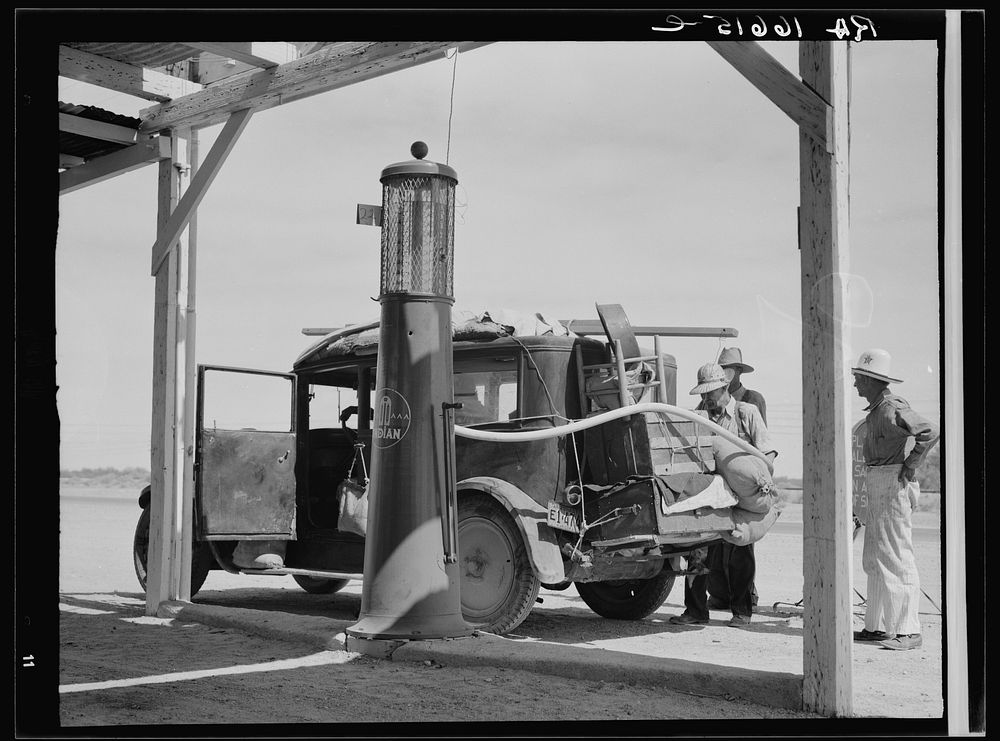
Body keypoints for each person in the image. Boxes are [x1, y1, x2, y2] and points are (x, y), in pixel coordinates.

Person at [671, 362, 778, 628]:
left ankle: (742, 611)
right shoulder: (698, 416)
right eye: (703, 395)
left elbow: (769, 453)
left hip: (741, 497)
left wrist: (755, 480)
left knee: (740, 553)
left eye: (711, 394)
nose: (707, 399)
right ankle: (695, 611)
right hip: (712, 495)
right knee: (697, 551)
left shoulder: (746, 413)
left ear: (725, 388)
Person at [851, 348, 939, 651]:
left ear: (871, 380)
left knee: (895, 555)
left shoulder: (891, 407)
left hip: (891, 481)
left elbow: (928, 431)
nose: (855, 386)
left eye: (858, 379)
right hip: (879, 480)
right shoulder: (878, 410)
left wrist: (911, 465)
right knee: (875, 556)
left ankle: (908, 630)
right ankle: (875, 627)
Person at [705, 347, 766, 611]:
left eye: (728, 369)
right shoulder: (706, 405)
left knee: (741, 544)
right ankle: (719, 595)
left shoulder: (750, 403)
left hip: (741, 482)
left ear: (737, 372)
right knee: (714, 547)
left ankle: (744, 600)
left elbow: (763, 446)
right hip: (718, 485)